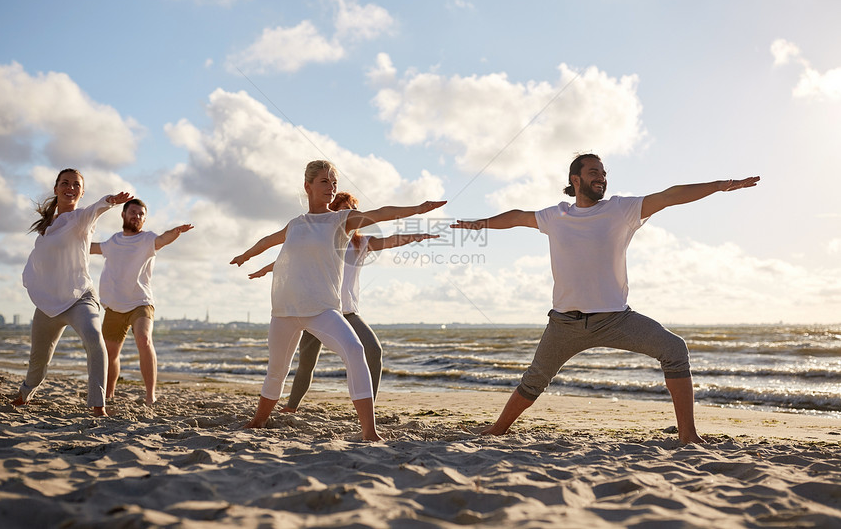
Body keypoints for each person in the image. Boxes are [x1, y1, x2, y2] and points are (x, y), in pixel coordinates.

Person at [451, 153, 760, 444]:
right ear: (575, 179)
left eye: (603, 173)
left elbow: (669, 196)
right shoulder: (556, 215)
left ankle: (688, 435)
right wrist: (481, 223)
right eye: (593, 172)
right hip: (565, 323)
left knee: (674, 349)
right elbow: (518, 216)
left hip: (615, 319)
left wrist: (720, 186)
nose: (601, 177)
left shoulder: (619, 210)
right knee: (534, 380)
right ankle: (498, 429)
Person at [231, 160, 446, 441]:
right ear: (307, 186)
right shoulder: (296, 224)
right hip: (285, 309)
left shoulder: (341, 221)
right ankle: (258, 421)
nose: (331, 188)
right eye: (324, 182)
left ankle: (370, 432)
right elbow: (269, 241)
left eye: (334, 183)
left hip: (321, 309)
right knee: (277, 371)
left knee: (355, 350)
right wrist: (246, 255)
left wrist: (416, 209)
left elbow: (380, 214)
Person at [12, 168, 132, 417]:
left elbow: (97, 208)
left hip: (79, 298)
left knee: (94, 339)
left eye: (76, 185)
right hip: (48, 303)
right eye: (65, 183)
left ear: (81, 192)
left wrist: (110, 200)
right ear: (56, 189)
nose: (70, 187)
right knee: (38, 360)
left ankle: (98, 405)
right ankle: (25, 394)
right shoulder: (48, 225)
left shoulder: (82, 218)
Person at [89, 199, 194, 405]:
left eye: (141, 214)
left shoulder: (148, 240)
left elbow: (163, 239)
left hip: (141, 302)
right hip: (114, 306)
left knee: (144, 340)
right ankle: (109, 394)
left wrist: (175, 232)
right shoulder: (113, 242)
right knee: (110, 353)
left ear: (144, 219)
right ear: (124, 215)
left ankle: (150, 395)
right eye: (133, 212)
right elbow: (90, 248)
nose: (136, 216)